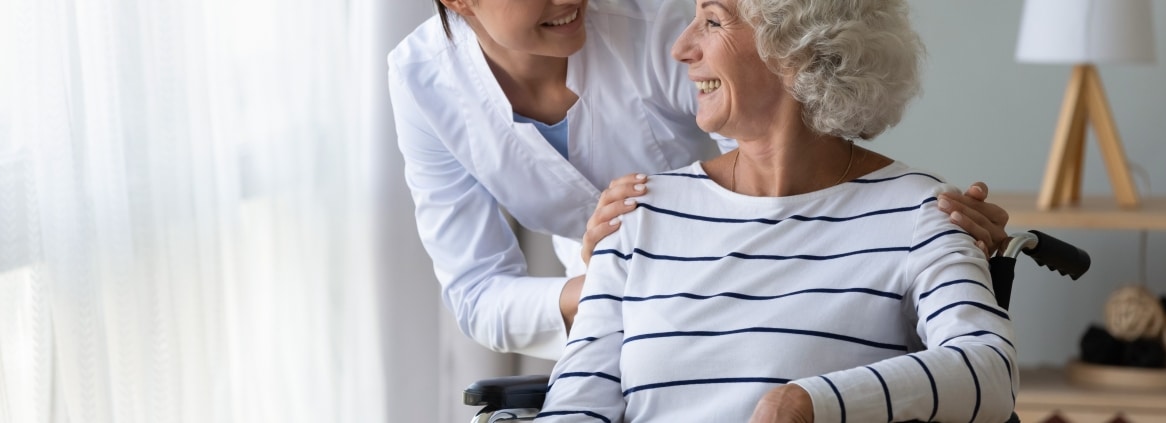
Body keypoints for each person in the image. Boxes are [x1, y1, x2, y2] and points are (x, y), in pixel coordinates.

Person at [387, 0, 1010, 361]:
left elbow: (781, 162)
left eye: (710, 22)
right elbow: (477, 293)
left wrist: (914, 221)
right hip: (614, 323)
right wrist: (604, 287)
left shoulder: (653, 23)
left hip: (762, 293)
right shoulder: (421, 81)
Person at [535, 0, 1016, 421]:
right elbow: (577, 405)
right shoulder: (639, 213)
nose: (681, 47)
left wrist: (809, 403)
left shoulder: (916, 213)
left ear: (797, 46)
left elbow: (988, 370)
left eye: (713, 21)